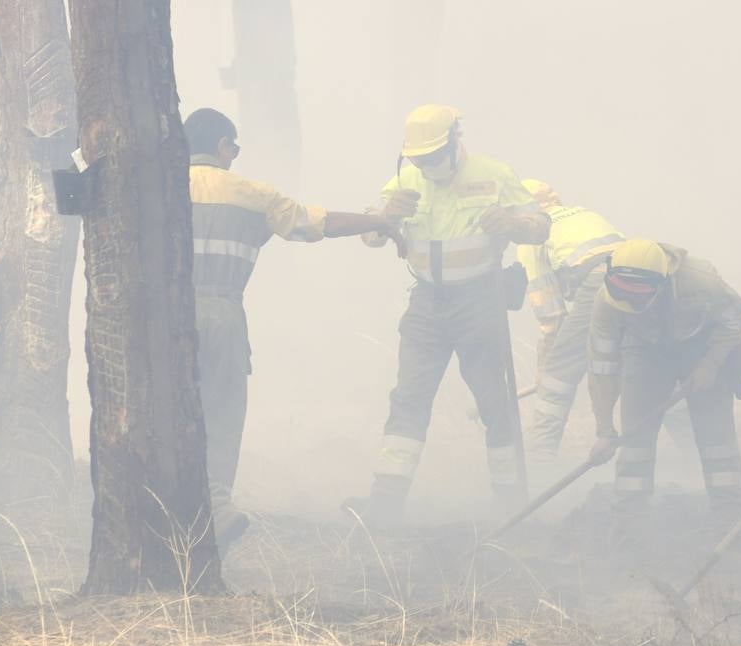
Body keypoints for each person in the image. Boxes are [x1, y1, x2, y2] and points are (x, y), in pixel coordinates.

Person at [185, 107, 402, 547]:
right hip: (224, 317)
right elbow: (317, 224)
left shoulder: (153, 188)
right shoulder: (252, 194)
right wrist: (380, 221)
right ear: (223, 147)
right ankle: (217, 504)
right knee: (222, 412)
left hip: (164, 319)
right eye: (234, 149)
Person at [353, 104, 550, 526]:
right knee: (409, 398)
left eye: (433, 157)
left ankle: (510, 503)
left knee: (494, 402)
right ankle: (385, 504)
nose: (427, 167)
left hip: (480, 301)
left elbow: (541, 226)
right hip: (427, 303)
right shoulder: (405, 180)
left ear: (454, 140)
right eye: (418, 159)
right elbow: (368, 236)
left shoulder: (494, 174)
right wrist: (387, 216)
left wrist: (513, 223)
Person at [587, 238, 741, 542]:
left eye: (637, 298)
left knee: (716, 439)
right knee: (635, 440)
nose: (629, 305)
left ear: (662, 284)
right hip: (645, 351)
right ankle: (630, 524)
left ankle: (729, 518)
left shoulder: (701, 281)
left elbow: (737, 317)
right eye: (621, 294)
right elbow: (603, 366)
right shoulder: (606, 303)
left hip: (702, 345)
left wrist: (710, 365)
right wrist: (604, 429)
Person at [515, 179, 625, 474]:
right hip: (639, 279)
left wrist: (546, 368)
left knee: (558, 374)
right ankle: (689, 446)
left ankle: (539, 458)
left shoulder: (533, 236)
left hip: (600, 282)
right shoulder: (582, 213)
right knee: (638, 358)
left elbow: (550, 314)